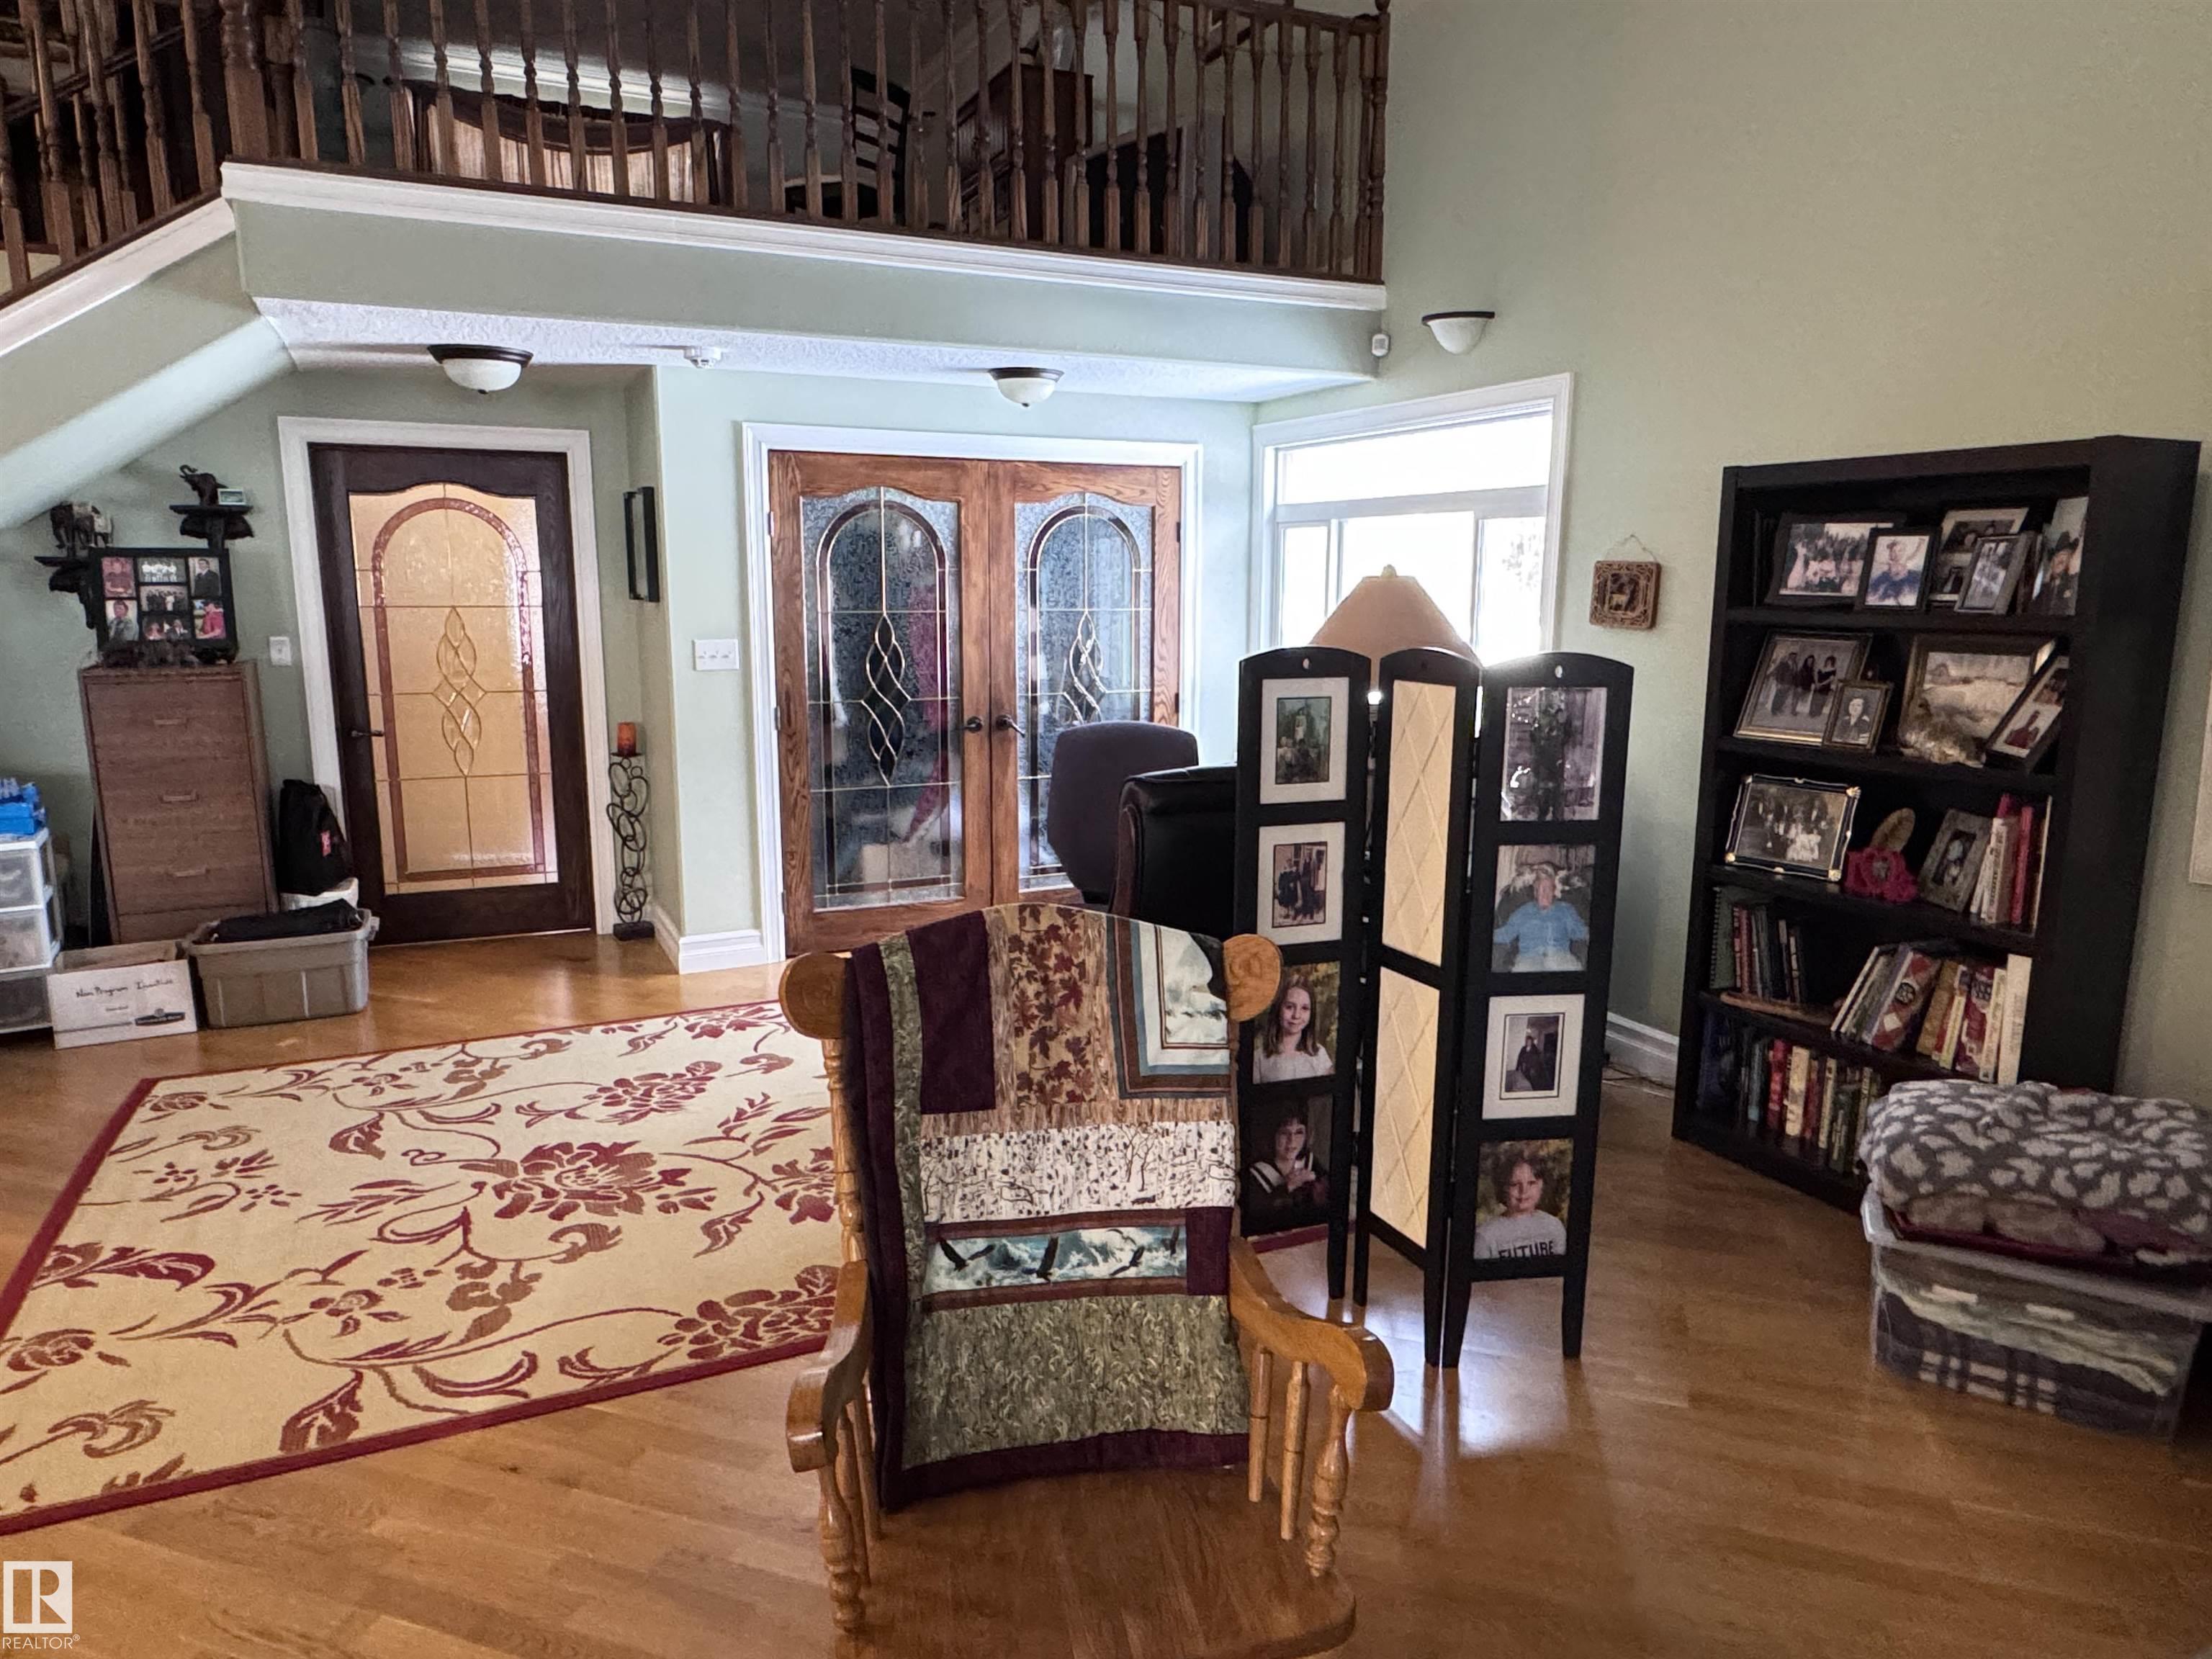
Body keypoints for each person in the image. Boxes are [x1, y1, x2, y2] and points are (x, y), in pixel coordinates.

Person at [1241, 1103, 1329, 1231]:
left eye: (1299, 1132)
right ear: (1273, 1135)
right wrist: (1288, 1186)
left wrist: (1317, 1184)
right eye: (1284, 1133)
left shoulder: (1310, 1162)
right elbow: (1257, 1216)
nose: (1292, 1141)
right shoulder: (1256, 1173)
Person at [1492, 862, 1588, 971]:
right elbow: (1506, 934)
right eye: (1541, 889)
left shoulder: (1565, 909)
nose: (1545, 893)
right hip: (1529, 960)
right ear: (1535, 891)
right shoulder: (1523, 912)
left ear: (1554, 890)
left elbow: (1579, 932)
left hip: (1561, 959)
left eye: (1548, 889)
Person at [1472, 1150, 1567, 1260]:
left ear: (1541, 1185)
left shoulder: (1553, 1225)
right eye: (1515, 1184)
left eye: (1531, 1183)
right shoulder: (1486, 1236)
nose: (1524, 1191)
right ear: (1503, 1187)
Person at [1253, 978, 1332, 1082]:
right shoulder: (1259, 1059)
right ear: (1278, 1009)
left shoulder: (1320, 1055)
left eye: (1304, 1008)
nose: (1296, 1015)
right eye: (1290, 1007)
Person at [1866, 541, 1919, 605]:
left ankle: (1902, 601)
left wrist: (1920, 546)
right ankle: (1875, 598)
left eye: (1900, 551)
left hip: (1904, 580)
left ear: (1904, 552)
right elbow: (1879, 560)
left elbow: (1914, 555)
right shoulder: (1890, 562)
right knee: (1883, 590)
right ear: (1890, 553)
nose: (1897, 554)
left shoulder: (1904, 560)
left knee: (1905, 592)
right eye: (1894, 551)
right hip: (1893, 581)